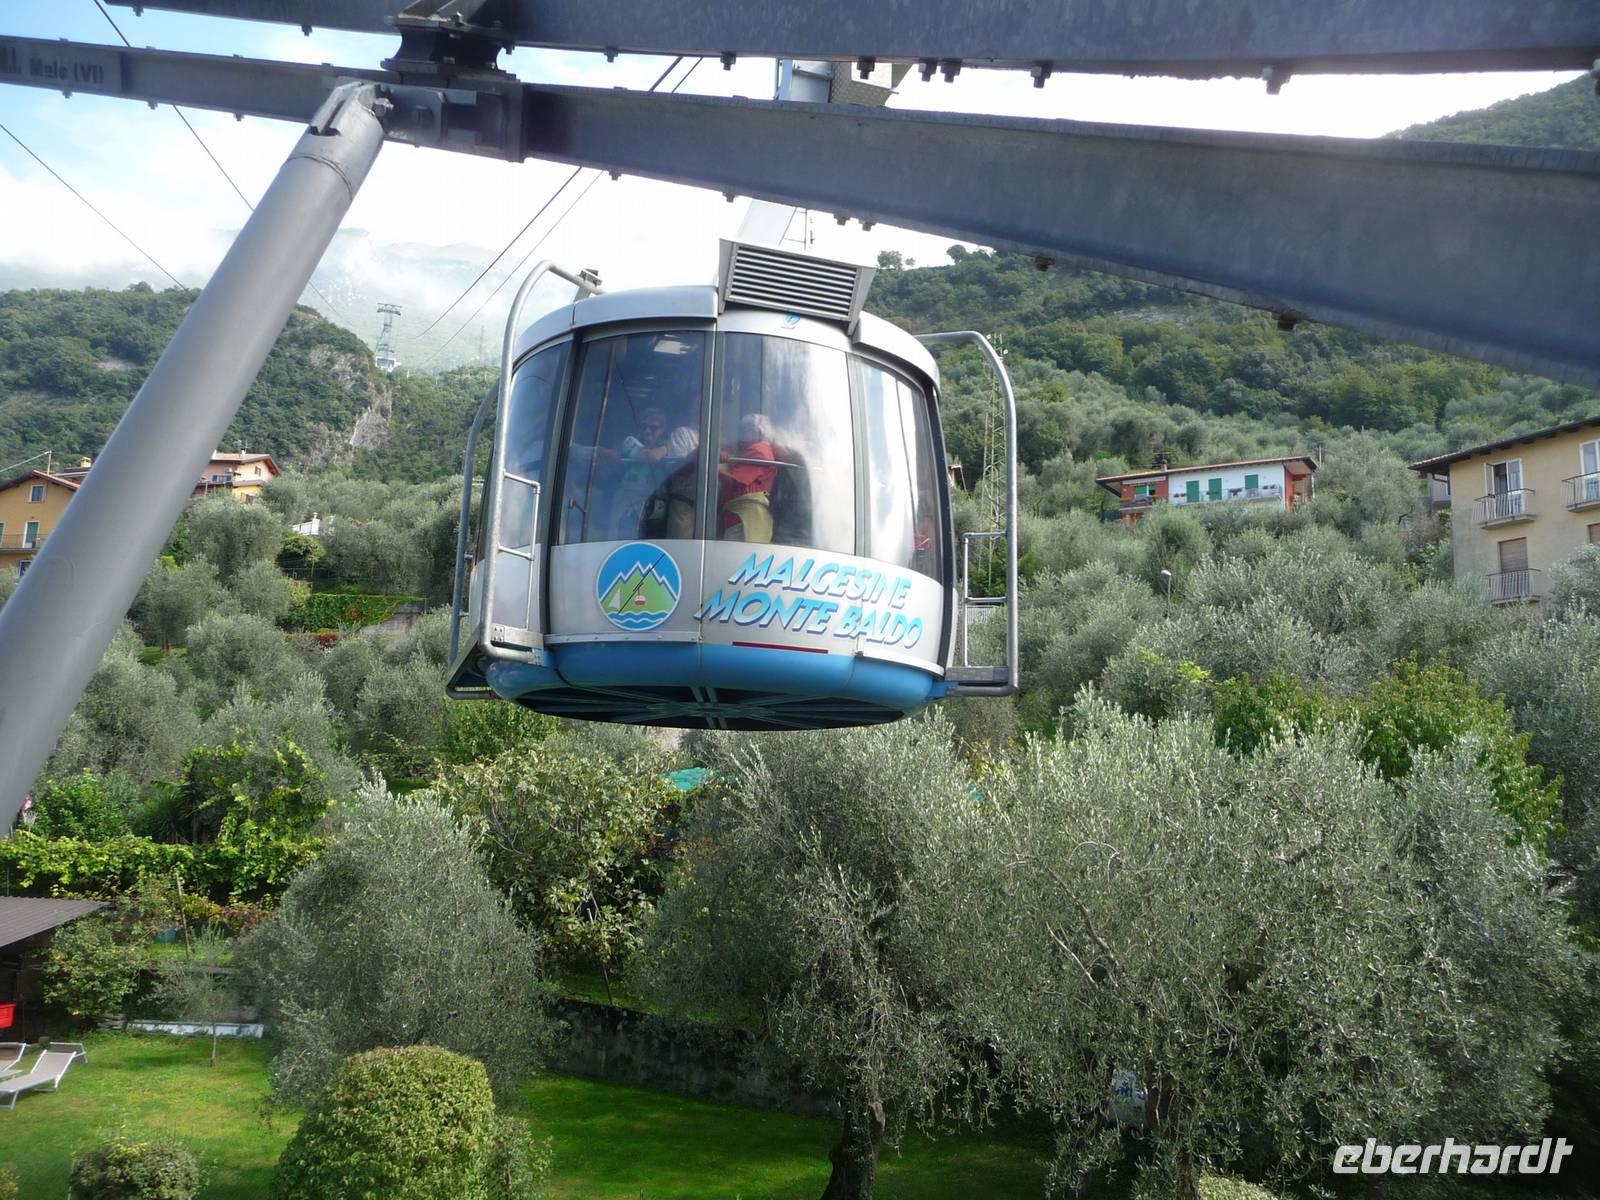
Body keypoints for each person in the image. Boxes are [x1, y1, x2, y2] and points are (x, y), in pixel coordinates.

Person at [616, 406, 699, 539]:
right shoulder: (630, 441)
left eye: (654, 427)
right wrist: (668, 446)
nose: (647, 431)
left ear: (663, 429)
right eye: (644, 426)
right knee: (625, 541)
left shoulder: (663, 446)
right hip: (629, 499)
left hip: (656, 503)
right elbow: (651, 457)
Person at [718, 413, 779, 543]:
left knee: (733, 557)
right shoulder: (753, 450)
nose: (743, 434)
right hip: (741, 514)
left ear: (759, 431)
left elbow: (734, 481)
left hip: (745, 515)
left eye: (747, 429)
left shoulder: (758, 450)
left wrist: (711, 465)